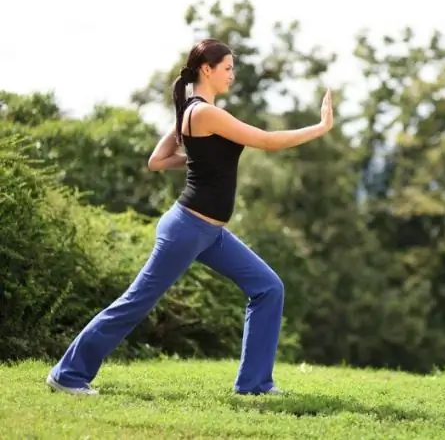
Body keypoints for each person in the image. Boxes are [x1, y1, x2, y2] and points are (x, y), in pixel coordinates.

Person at [45, 38, 334, 396]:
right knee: (137, 302)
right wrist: (319, 128)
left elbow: (158, 161)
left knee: (267, 287)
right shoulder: (203, 112)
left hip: (211, 234)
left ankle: (254, 385)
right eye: (227, 68)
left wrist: (198, 160)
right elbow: (267, 140)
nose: (233, 74)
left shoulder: (191, 111)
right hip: (187, 228)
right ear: (206, 70)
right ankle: (68, 374)